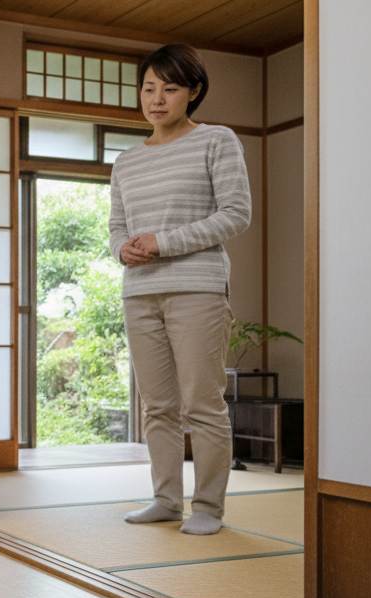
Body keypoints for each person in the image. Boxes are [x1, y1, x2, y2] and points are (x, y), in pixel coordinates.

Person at [110, 44, 251, 536]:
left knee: (202, 403)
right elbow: (116, 227)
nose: (157, 98)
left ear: (193, 92)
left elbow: (236, 213)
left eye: (170, 88)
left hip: (197, 289)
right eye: (149, 87)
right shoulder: (126, 161)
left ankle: (209, 506)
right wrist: (121, 250)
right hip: (139, 292)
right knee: (158, 406)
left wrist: (163, 242)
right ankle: (166, 500)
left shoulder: (217, 140)